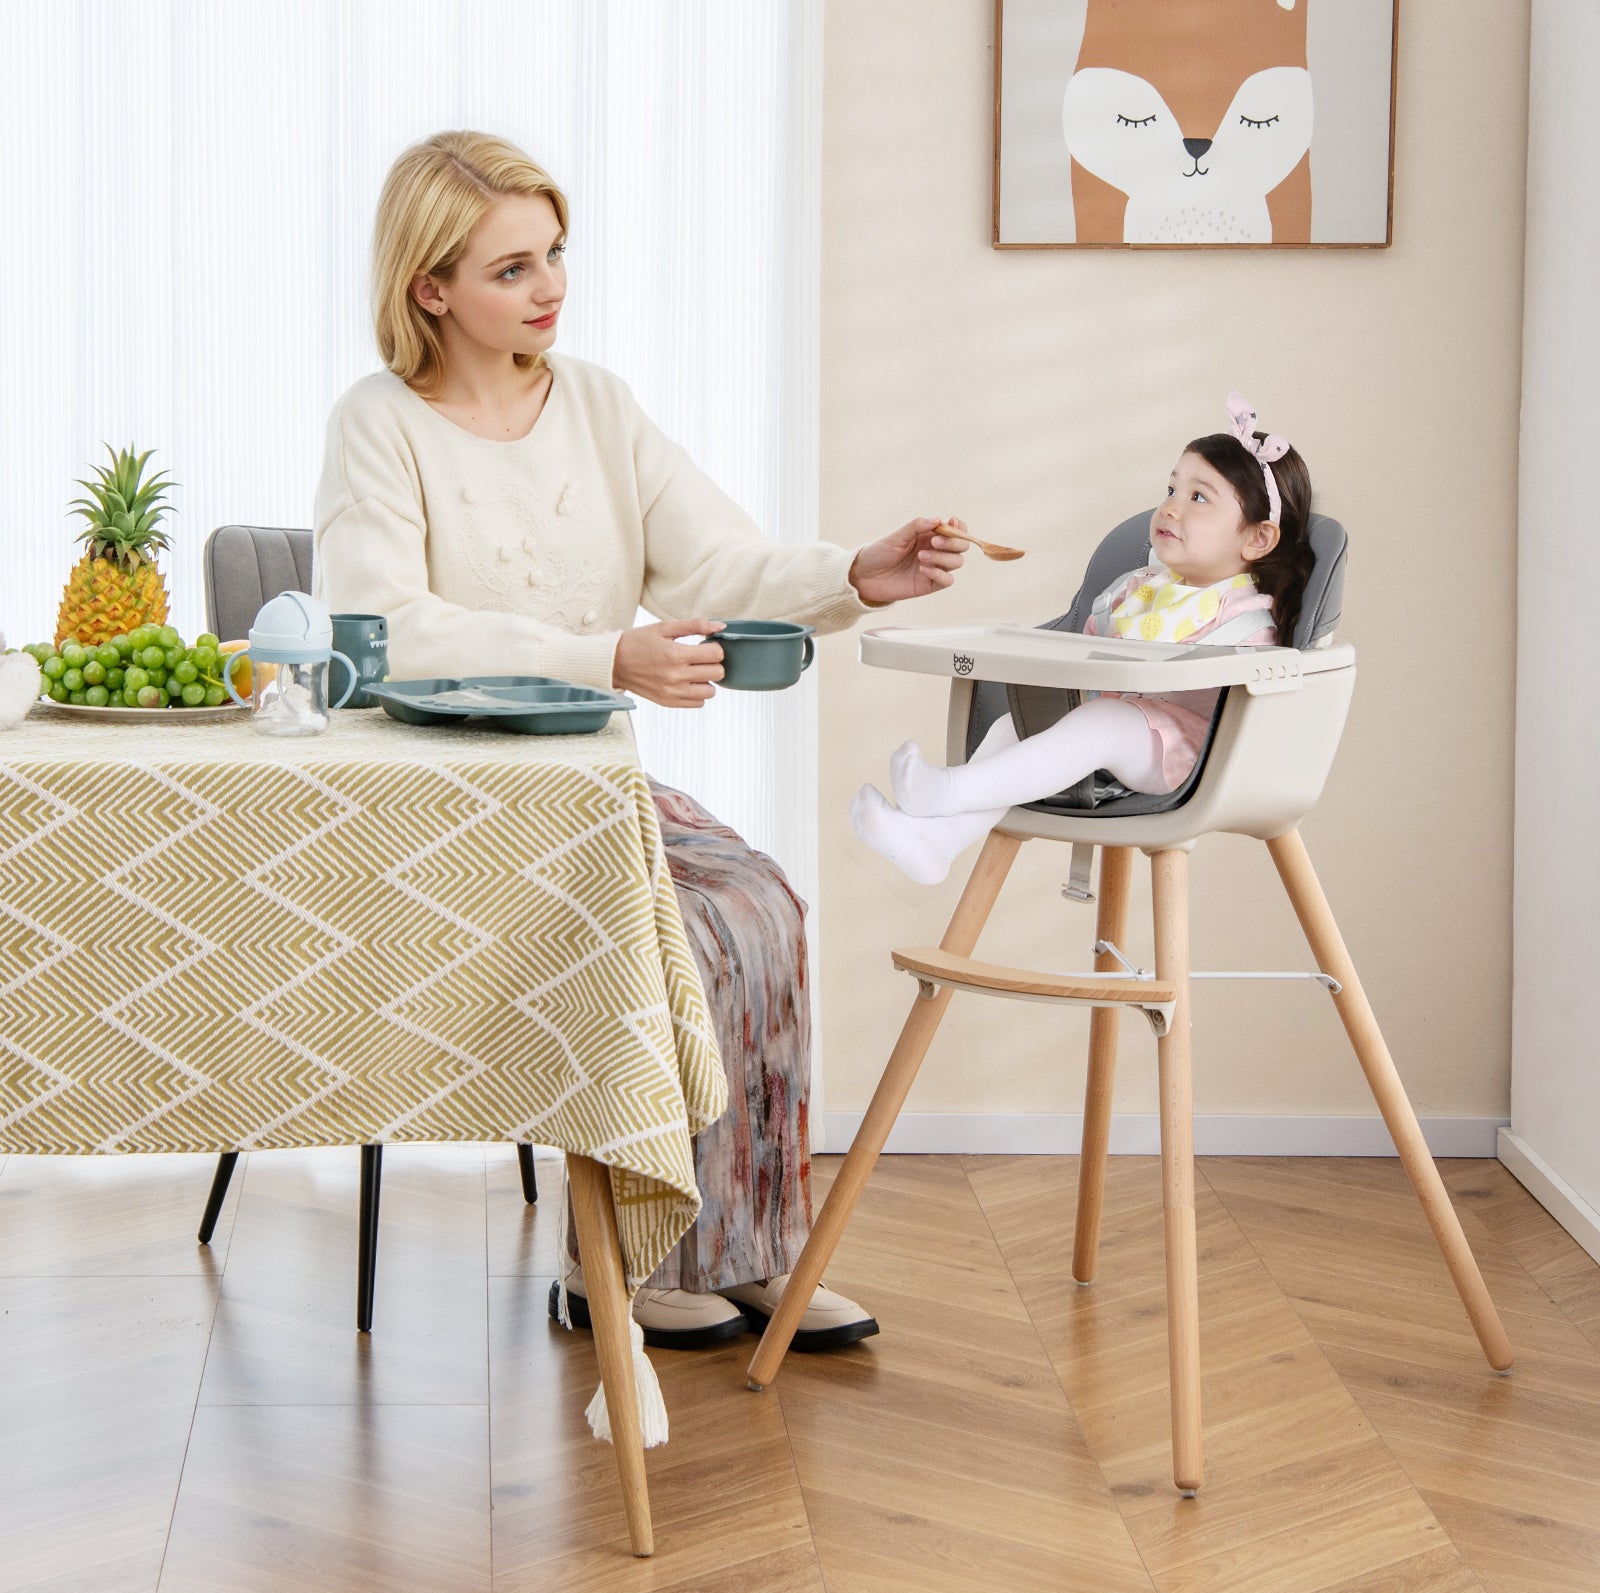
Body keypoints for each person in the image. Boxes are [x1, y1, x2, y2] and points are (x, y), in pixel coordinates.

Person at [311, 130, 969, 1348]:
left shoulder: (600, 406)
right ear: (431, 287)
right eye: (512, 268)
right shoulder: (380, 423)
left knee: (758, 903)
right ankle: (615, 1261)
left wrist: (854, 574)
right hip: (436, 797)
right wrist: (603, 657)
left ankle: (750, 1245)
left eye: (555, 253)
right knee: (688, 923)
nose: (551, 285)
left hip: (584, 781)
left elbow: (718, 564)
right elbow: (382, 630)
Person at [851, 394, 1313, 884]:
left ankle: (945, 792)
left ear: (1257, 539)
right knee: (1018, 725)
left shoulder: (1246, 617)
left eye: (1198, 497)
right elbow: (1087, 647)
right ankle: (934, 843)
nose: (1171, 507)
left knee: (1107, 720)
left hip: (1188, 758)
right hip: (1109, 730)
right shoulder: (1141, 589)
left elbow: (1247, 695)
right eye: (1172, 488)